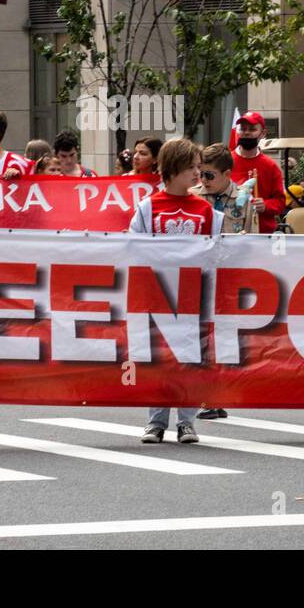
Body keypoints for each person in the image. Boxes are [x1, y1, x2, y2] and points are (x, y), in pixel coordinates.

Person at [129, 138, 221, 444]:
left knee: (190, 357)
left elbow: (216, 252)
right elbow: (133, 246)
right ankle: (156, 420)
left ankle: (187, 421)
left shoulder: (206, 210)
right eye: (191, 167)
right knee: (159, 357)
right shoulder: (148, 207)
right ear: (171, 169)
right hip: (157, 294)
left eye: (199, 167)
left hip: (194, 295)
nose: (198, 174)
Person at [191, 142, 255, 421]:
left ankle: (220, 393)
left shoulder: (243, 200)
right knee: (200, 337)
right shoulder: (193, 196)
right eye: (200, 174)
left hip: (229, 275)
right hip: (198, 275)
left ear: (227, 174)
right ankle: (205, 395)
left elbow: (252, 239)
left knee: (225, 338)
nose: (202, 181)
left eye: (209, 175)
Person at [230, 111, 286, 233]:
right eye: (243, 129)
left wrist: (266, 205)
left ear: (262, 134)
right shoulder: (226, 162)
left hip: (262, 232)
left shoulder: (271, 166)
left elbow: (281, 202)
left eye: (252, 129)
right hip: (231, 231)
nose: (246, 133)